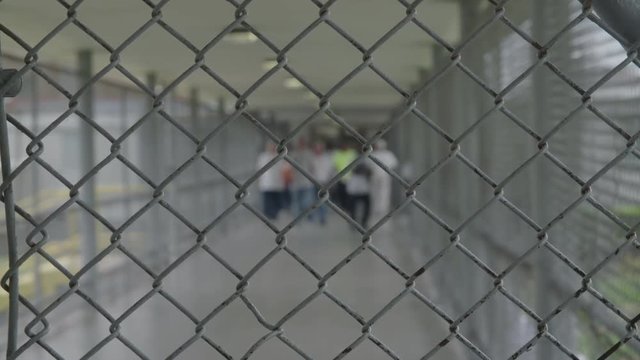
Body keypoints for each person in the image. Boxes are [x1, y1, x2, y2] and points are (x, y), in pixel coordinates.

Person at [370, 139, 399, 220]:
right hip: (380, 175)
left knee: (382, 192)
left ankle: (380, 208)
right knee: (380, 191)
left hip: (381, 175)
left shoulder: (376, 154)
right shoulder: (387, 154)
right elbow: (394, 164)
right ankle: (379, 208)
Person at [256, 143, 285, 220]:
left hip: (277, 184)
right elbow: (259, 169)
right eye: (270, 146)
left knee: (277, 201)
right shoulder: (263, 156)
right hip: (266, 184)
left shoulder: (279, 156)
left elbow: (283, 169)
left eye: (273, 147)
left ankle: (275, 214)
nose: (271, 148)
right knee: (267, 202)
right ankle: (268, 217)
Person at [290, 138, 315, 218]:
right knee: (296, 201)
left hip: (306, 182)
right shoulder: (294, 154)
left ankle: (308, 216)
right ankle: (297, 216)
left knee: (307, 201)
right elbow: (290, 168)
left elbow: (312, 167)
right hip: (296, 181)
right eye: (300, 143)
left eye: (303, 143)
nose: (301, 145)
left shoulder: (309, 154)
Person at [310, 141, 334, 225]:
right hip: (314, 182)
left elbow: (330, 171)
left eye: (319, 148)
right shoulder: (313, 158)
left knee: (323, 201)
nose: (318, 150)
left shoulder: (327, 158)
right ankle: (313, 217)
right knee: (313, 200)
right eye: (316, 148)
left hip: (324, 182)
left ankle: (322, 217)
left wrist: (329, 181)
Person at [332, 139, 357, 211]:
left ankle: (349, 207)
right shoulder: (337, 153)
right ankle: (343, 207)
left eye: (346, 145)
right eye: (343, 146)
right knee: (341, 193)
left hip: (351, 178)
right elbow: (334, 165)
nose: (344, 147)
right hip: (340, 177)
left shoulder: (352, 153)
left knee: (350, 194)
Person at [346, 160, 372, 228]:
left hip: (364, 190)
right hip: (354, 190)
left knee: (367, 207)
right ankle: (353, 222)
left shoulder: (366, 165)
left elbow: (370, 173)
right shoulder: (353, 173)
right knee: (352, 208)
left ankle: (364, 222)